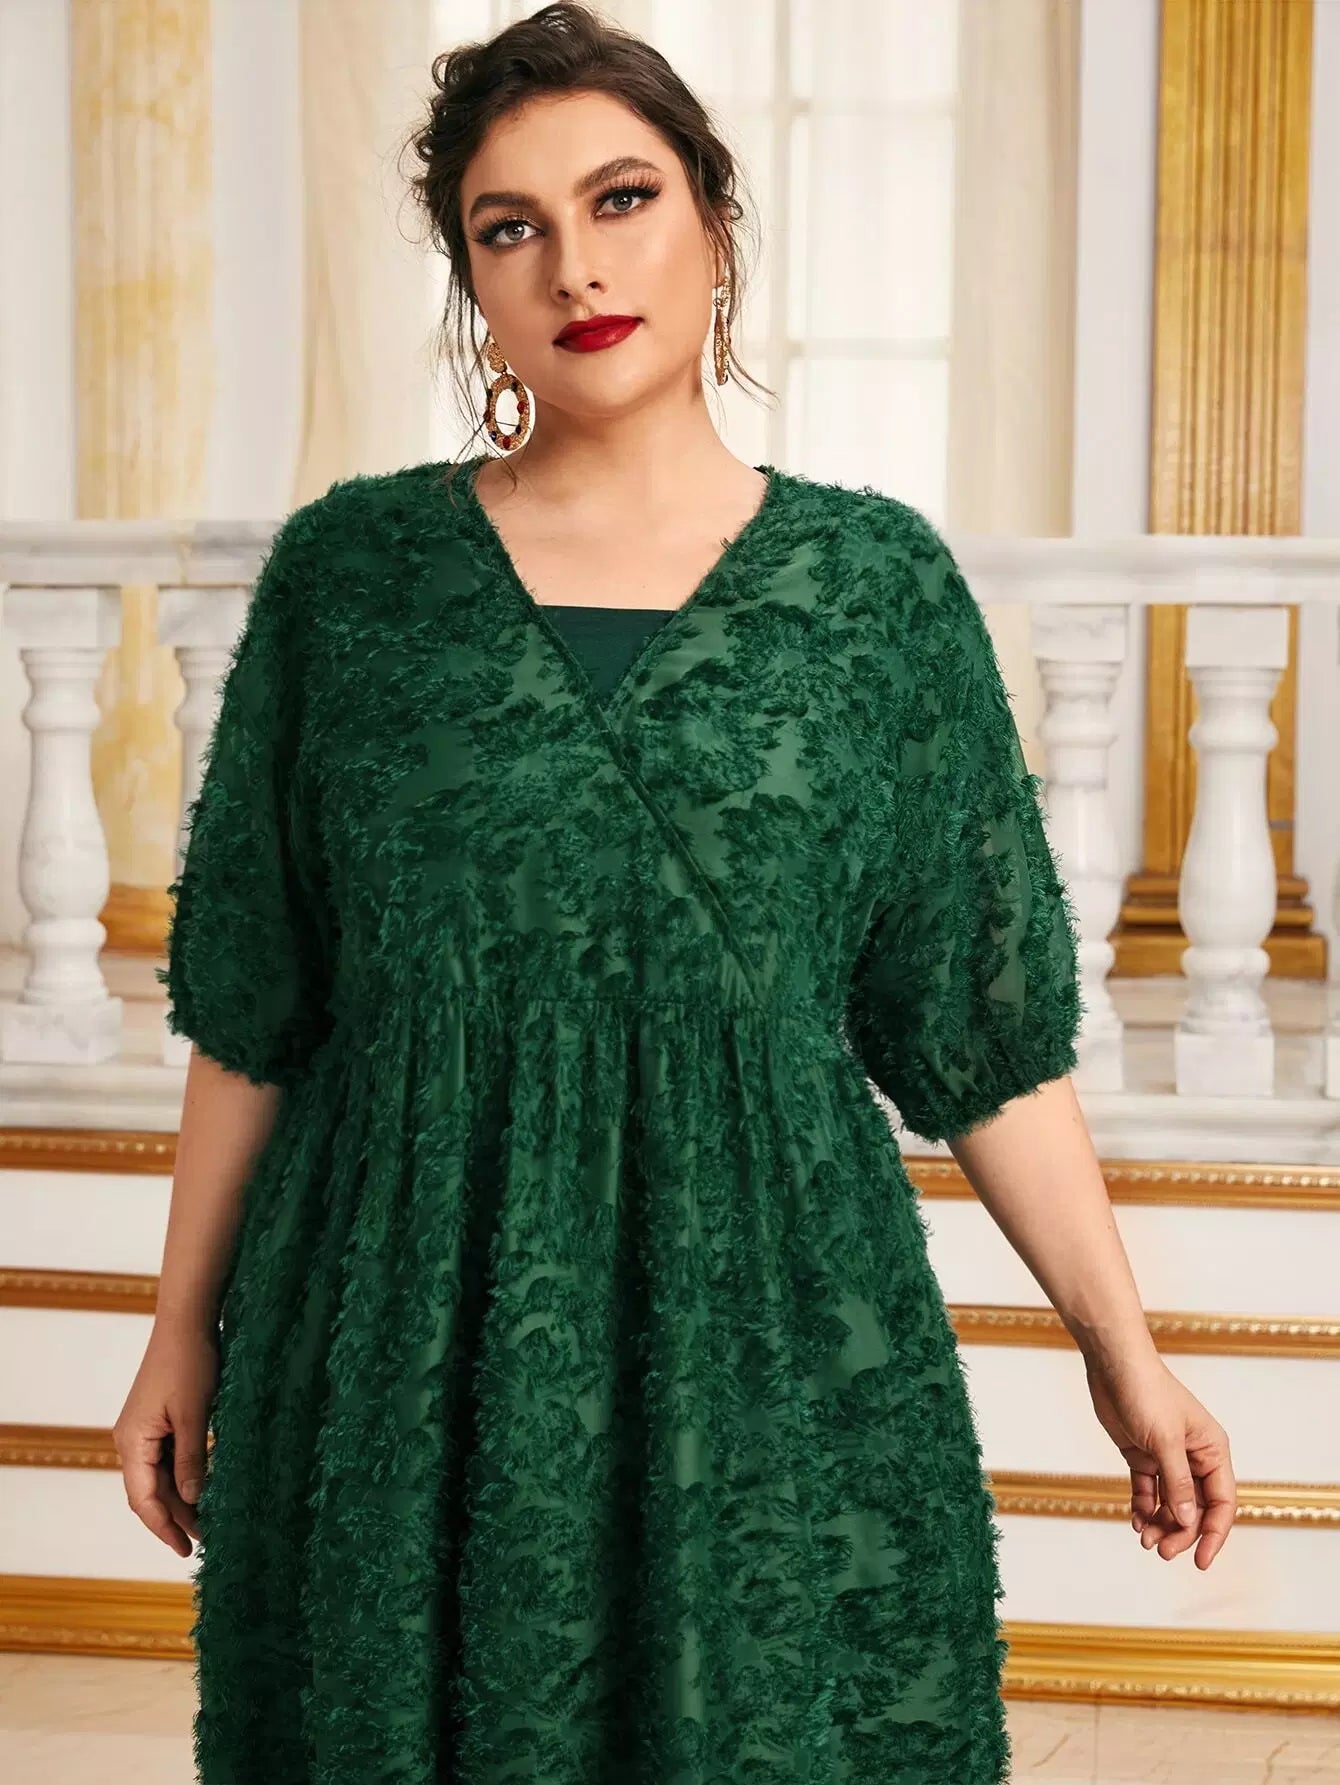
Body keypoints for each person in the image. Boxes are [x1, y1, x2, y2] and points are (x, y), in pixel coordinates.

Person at [114, 5, 1237, 1780]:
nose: (574, 266)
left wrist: (1125, 1349)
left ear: (716, 219)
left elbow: (980, 1037)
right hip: (407, 1335)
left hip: (764, 1337)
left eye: (621, 199)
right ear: (471, 284)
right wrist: (179, 1322)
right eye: (510, 228)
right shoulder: (352, 579)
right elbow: (256, 998)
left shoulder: (875, 594)